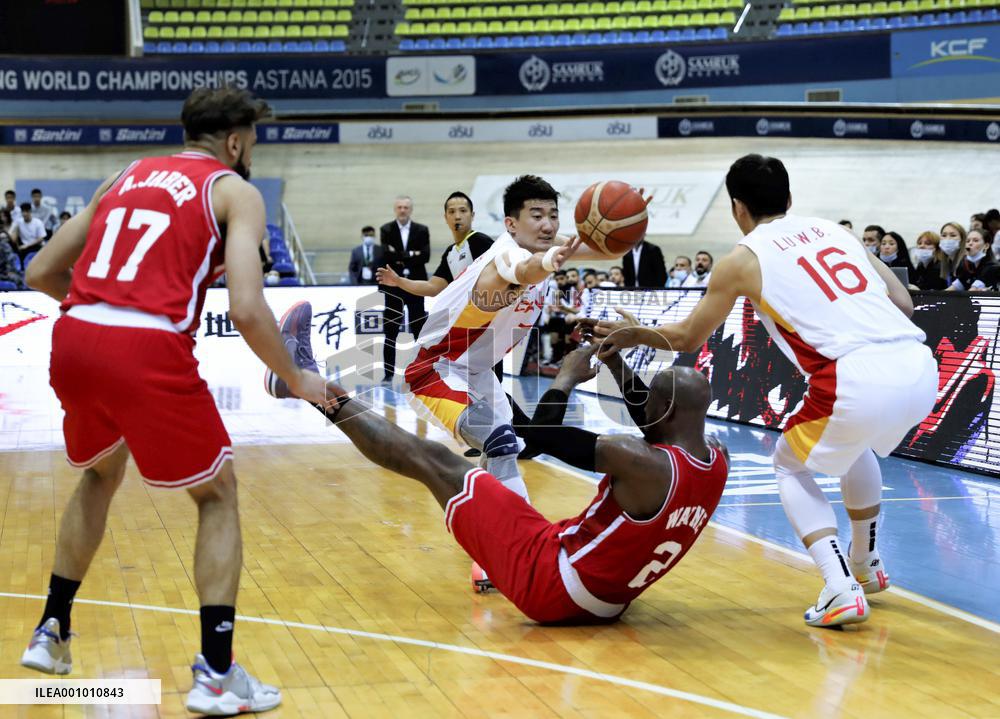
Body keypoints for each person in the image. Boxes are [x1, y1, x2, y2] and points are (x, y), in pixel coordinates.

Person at [20, 87, 331, 715]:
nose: (251, 154)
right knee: (216, 493)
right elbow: (247, 308)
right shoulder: (233, 190)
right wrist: (299, 378)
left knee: (100, 475)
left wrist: (100, 316)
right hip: (147, 345)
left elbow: (40, 273)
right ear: (235, 141)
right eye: (253, 143)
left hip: (74, 336)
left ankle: (52, 631)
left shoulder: (125, 174)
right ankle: (216, 673)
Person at [587, 154, 937, 628]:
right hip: (918, 365)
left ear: (737, 207)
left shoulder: (741, 260)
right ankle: (866, 564)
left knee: (789, 465)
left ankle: (840, 587)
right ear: (789, 198)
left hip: (853, 376)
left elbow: (689, 337)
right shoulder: (839, 232)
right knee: (854, 447)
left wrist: (636, 334)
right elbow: (903, 303)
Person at [266, 319, 729, 623]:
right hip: (607, 600)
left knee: (436, 461)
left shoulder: (639, 460)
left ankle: (303, 383)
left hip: (553, 584)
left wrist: (565, 378)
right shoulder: (716, 460)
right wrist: (614, 362)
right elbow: (657, 418)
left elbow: (539, 438)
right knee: (496, 486)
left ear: (662, 408)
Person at [377, 191, 493, 298]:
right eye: (452, 212)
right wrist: (398, 281)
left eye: (463, 211)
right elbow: (432, 287)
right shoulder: (450, 253)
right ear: (446, 218)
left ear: (472, 215)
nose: (457, 216)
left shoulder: (481, 242)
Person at [379, 195, 431, 381]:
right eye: (399, 207)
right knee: (390, 331)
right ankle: (388, 374)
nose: (402, 210)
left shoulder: (421, 230)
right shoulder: (386, 229)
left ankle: (423, 371)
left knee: (419, 330)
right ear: (395, 209)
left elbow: (425, 256)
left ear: (411, 209)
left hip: (416, 286)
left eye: (406, 207)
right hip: (393, 288)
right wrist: (411, 254)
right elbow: (386, 256)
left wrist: (399, 255)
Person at [948, 227, 999, 292]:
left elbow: (973, 291)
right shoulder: (965, 265)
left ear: (986, 246)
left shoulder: (992, 267)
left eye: (975, 240)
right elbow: (956, 286)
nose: (970, 243)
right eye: (968, 241)